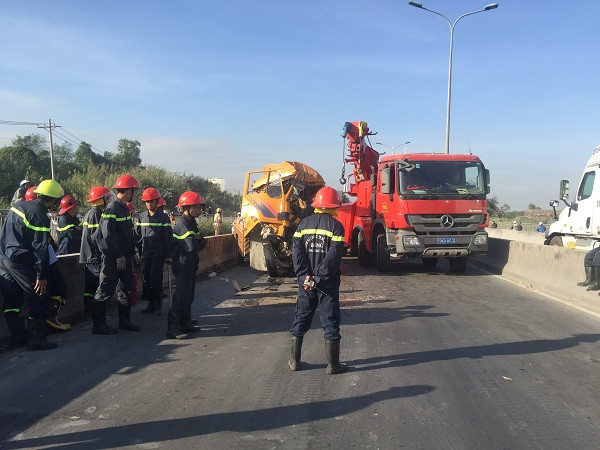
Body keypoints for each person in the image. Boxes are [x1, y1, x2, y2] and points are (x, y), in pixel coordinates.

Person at [288, 186, 347, 374]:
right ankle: (333, 365)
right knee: (330, 321)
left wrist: (304, 276)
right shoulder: (336, 226)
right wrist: (319, 278)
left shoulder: (303, 224)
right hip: (326, 283)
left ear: (317, 205)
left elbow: (297, 253)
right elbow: (333, 257)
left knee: (301, 317)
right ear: (333, 206)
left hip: (306, 283)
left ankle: (294, 362)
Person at [0, 179, 64, 350]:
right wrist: (41, 276)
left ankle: (18, 338)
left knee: (13, 298)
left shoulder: (20, 206)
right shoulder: (39, 215)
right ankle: (36, 340)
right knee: (41, 296)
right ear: (54, 200)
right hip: (19, 260)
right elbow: (40, 249)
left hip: (4, 257)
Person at [94, 174, 141, 333]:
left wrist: (132, 253)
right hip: (112, 257)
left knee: (125, 289)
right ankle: (99, 326)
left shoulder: (124, 208)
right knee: (105, 289)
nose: (135, 194)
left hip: (124, 256)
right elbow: (108, 235)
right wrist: (118, 255)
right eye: (134, 191)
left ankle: (125, 322)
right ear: (128, 191)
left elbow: (128, 234)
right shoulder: (112, 208)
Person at [167, 191, 206, 339]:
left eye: (199, 207)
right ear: (186, 208)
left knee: (189, 295)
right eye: (196, 207)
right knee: (181, 295)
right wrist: (199, 243)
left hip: (190, 263)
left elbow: (202, 241)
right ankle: (173, 329)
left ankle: (185, 323)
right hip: (183, 263)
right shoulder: (183, 224)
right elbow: (192, 246)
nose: (199, 210)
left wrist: (199, 243)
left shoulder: (191, 222)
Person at [80, 185, 113, 324]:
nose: (109, 200)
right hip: (94, 257)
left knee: (91, 286)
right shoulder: (96, 214)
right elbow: (96, 238)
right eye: (107, 198)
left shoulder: (91, 213)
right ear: (101, 200)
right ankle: (96, 314)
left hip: (89, 256)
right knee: (97, 287)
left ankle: (90, 312)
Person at [136, 187, 172, 316]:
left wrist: (168, 255)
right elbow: (137, 237)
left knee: (155, 279)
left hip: (159, 252)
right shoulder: (141, 217)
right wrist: (137, 252)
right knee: (147, 280)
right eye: (147, 202)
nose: (149, 204)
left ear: (157, 202)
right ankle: (150, 305)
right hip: (146, 252)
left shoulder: (163, 217)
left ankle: (158, 305)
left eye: (151, 201)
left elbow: (168, 237)